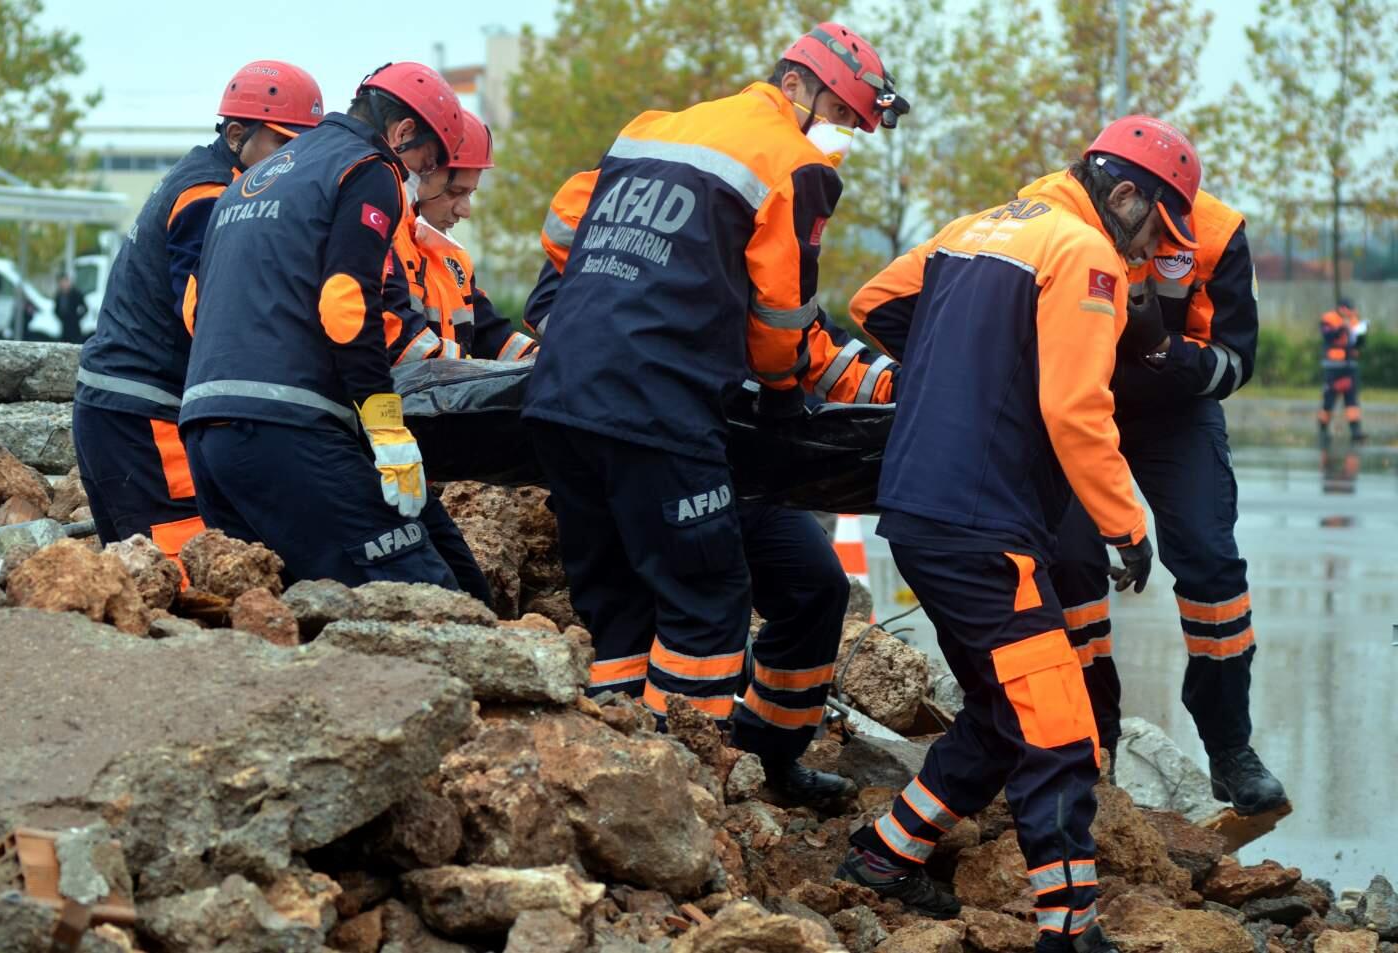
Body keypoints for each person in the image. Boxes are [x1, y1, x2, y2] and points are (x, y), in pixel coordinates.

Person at [837, 116, 1203, 953]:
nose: (1153, 252)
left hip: (924, 514)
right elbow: (1075, 408)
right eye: (1156, 228)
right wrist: (1126, 524)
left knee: (1004, 714)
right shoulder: (1085, 253)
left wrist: (953, 365)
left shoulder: (977, 228)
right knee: (1059, 728)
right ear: (1123, 195)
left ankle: (885, 851)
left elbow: (876, 302)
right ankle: (1068, 930)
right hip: (982, 530)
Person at [520, 23, 907, 799]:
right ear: (798, 85)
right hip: (661, 411)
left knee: (777, 589)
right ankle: (674, 793)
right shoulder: (789, 162)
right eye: (838, 117)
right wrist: (787, 393)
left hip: (565, 403)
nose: (836, 138)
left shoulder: (653, 131)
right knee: (705, 605)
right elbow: (782, 323)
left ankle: (746, 759)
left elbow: (564, 229)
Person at [180, 62, 484, 591]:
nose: (420, 178)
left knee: (293, 610)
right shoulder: (368, 167)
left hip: (209, 433)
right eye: (427, 163)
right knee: (430, 600)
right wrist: (386, 427)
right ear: (402, 132)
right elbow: (347, 304)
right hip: (288, 427)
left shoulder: (252, 180)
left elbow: (195, 305)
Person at [1049, 183, 1286, 816]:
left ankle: (1229, 748)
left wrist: (1163, 351)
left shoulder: (1215, 230)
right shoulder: (1059, 210)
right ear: (1117, 191)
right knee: (1070, 568)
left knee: (1212, 565)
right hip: (1076, 402)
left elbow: (1235, 360)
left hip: (1176, 410)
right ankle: (1092, 749)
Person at [73, 60, 324, 568]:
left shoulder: (218, 181)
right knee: (182, 574)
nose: (293, 162)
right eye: (283, 145)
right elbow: (207, 310)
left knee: (149, 578)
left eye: (303, 148)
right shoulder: (208, 197)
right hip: (144, 416)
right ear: (236, 134)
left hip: (131, 408)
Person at [389, 109, 538, 365]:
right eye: (454, 192)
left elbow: (492, 335)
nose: (464, 210)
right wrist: (474, 371)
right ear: (414, 174)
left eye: (470, 194)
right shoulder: (384, 247)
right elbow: (402, 347)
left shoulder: (453, 259)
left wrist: (546, 360)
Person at [1318, 297, 1366, 444]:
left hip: (1350, 367)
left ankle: (1356, 431)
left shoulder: (1355, 321)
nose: (1350, 312)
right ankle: (1323, 430)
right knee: (1329, 400)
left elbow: (1361, 343)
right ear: (1341, 308)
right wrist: (1342, 328)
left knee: (1351, 400)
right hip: (1333, 367)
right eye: (1347, 309)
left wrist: (1359, 334)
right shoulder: (1328, 319)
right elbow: (1327, 336)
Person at [55, 274, 88, 343]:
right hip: (64, 326)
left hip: (74, 326)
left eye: (65, 282)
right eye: (61, 282)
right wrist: (61, 318)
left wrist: (78, 318)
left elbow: (85, 308)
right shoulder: (59, 295)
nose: (63, 284)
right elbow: (56, 310)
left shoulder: (76, 293)